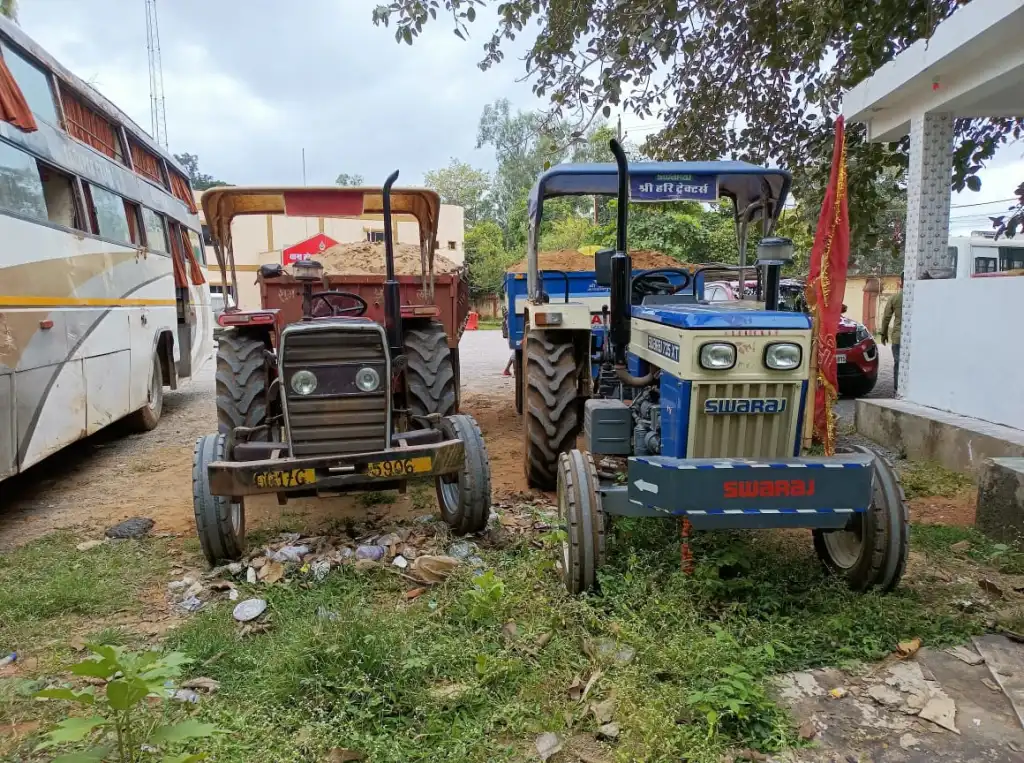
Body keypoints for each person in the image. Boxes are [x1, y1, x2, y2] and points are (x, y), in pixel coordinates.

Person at [880, 274, 904, 395]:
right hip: (915, 337)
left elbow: (886, 318)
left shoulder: (895, 298)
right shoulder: (920, 296)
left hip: (898, 336)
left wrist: (883, 334)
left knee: (898, 363)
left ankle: (897, 390)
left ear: (901, 283)